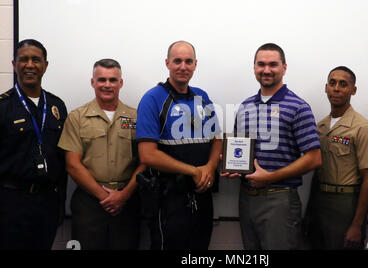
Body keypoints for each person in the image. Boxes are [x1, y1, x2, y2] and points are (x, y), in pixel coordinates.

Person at [222, 43, 322, 250]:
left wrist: (270, 177)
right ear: (254, 67)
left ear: (284, 68)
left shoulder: (298, 107)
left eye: (273, 64)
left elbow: (314, 158)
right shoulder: (245, 107)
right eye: (261, 64)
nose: (266, 70)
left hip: (280, 199)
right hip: (247, 198)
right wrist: (235, 168)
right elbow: (240, 151)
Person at [136, 41, 222, 250]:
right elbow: (147, 155)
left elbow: (217, 139)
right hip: (168, 199)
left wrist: (210, 167)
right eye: (177, 61)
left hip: (202, 196)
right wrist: (193, 171)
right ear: (167, 63)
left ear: (195, 64)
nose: (183, 66)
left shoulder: (202, 96)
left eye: (188, 61)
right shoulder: (152, 98)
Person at [58, 59, 144, 250]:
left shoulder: (136, 118)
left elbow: (145, 161)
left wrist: (123, 196)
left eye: (113, 80)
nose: (107, 85)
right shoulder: (77, 117)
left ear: (121, 83)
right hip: (89, 204)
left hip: (127, 202)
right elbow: (72, 164)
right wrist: (106, 197)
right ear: (93, 82)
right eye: (102, 80)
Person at [0, 39, 67, 250]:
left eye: (36, 60)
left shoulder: (57, 106)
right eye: (24, 60)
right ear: (14, 64)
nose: (30, 65)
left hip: (47, 202)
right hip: (9, 203)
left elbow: (63, 160)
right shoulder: (3, 106)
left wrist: (60, 205)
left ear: (45, 65)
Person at [305, 66, 368, 249]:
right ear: (326, 87)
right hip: (320, 201)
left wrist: (357, 224)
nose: (336, 88)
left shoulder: (363, 128)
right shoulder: (321, 127)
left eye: (343, 84)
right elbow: (317, 172)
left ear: (353, 90)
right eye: (332, 83)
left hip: (345, 204)